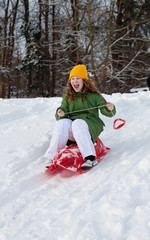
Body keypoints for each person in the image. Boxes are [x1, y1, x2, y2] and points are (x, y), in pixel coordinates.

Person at [44, 60, 116, 169]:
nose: (75, 81)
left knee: (78, 123)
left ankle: (90, 158)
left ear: (84, 81)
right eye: (72, 79)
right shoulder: (68, 95)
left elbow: (106, 109)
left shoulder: (94, 95)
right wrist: (60, 112)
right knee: (62, 123)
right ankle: (52, 156)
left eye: (78, 78)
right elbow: (62, 109)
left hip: (90, 125)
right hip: (73, 128)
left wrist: (109, 108)